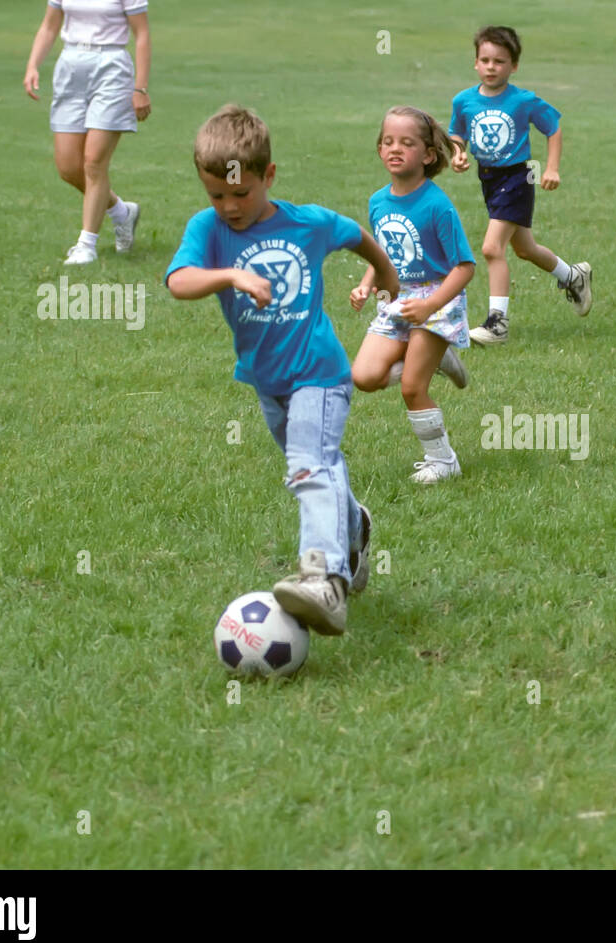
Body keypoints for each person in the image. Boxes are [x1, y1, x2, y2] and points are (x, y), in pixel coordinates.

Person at [165, 104, 400, 635]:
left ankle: (324, 579)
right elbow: (179, 281)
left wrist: (385, 274)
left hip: (320, 372)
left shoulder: (308, 223)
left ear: (268, 175)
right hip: (268, 382)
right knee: (316, 466)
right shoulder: (208, 230)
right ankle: (354, 525)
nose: (229, 207)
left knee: (309, 466)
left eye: (241, 193)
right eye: (216, 196)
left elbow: (356, 234)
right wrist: (231, 276)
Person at [350, 106, 476, 484]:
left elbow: (465, 267)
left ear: (428, 155)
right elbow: (385, 253)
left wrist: (430, 306)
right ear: (379, 149)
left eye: (406, 143)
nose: (395, 148)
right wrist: (367, 283)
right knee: (364, 377)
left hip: (437, 300)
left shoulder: (437, 205)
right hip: (398, 299)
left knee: (411, 387)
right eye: (388, 141)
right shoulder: (378, 201)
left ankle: (443, 460)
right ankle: (436, 356)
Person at [449, 25, 592, 345]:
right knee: (525, 249)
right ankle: (573, 276)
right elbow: (457, 133)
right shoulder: (464, 100)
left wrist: (552, 168)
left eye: (499, 61)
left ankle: (497, 324)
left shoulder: (522, 100)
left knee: (491, 248)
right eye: (485, 60)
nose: (491, 67)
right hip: (489, 179)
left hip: (518, 177)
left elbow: (552, 127)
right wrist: (457, 153)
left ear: (513, 66)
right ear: (475, 62)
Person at [23, 0, 151, 265]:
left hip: (112, 68)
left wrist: (140, 88)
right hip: (71, 67)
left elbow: (142, 34)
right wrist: (32, 65)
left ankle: (86, 245)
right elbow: (49, 26)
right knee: (69, 167)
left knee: (94, 162)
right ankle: (121, 212)